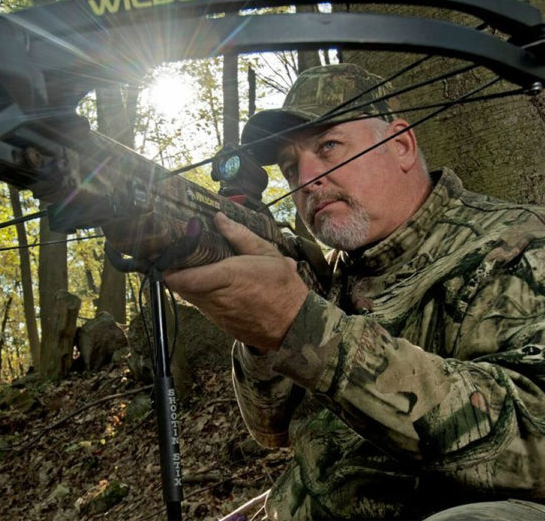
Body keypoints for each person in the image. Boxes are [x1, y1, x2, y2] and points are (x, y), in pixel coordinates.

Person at [164, 64, 545, 520]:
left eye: (328, 147)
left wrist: (301, 324)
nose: (306, 179)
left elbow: (533, 438)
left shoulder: (517, 243)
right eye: (290, 167)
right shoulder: (331, 274)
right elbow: (270, 426)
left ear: (401, 145)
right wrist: (260, 328)